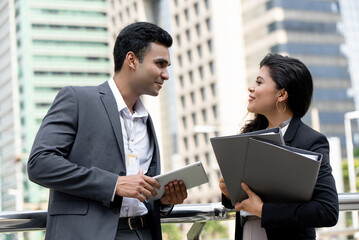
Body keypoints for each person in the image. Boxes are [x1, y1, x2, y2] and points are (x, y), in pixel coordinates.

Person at [27, 22, 188, 240]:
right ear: (131, 60)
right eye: (160, 64)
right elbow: (40, 163)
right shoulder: (77, 99)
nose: (166, 74)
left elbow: (141, 193)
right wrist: (114, 184)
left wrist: (163, 201)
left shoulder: (146, 120)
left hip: (142, 234)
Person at [219, 53, 339, 240]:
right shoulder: (246, 138)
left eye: (259, 82)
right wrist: (229, 193)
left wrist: (264, 210)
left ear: (282, 94)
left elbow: (327, 210)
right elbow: (240, 203)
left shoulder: (311, 142)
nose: (251, 87)